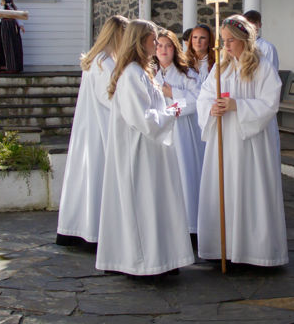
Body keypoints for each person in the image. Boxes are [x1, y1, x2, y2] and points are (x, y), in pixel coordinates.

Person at [96, 19, 194, 276]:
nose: (157, 43)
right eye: (152, 39)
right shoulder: (130, 75)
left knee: (156, 203)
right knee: (143, 204)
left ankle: (161, 257)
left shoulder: (143, 73)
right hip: (138, 152)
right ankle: (144, 261)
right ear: (140, 42)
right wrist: (173, 112)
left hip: (151, 150)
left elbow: (152, 111)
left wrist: (168, 110)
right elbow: (144, 119)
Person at [196, 14, 288, 267]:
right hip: (224, 138)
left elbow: (270, 103)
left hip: (251, 143)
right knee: (225, 188)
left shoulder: (261, 67)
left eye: (230, 41)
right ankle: (222, 248)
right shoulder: (220, 67)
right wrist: (210, 109)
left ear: (244, 40)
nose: (225, 46)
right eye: (223, 41)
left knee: (250, 188)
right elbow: (204, 96)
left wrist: (239, 106)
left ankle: (254, 250)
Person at [56, 15, 128, 247]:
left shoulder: (100, 60)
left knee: (90, 177)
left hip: (94, 126)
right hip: (100, 128)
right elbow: (110, 96)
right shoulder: (103, 62)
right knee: (97, 176)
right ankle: (93, 231)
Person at [154, 29, 204, 236]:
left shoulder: (187, 74)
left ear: (175, 49)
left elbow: (197, 100)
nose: (163, 50)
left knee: (184, 174)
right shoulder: (151, 74)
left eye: (168, 46)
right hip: (160, 131)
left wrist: (171, 96)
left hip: (181, 132)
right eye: (159, 46)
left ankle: (189, 226)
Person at [0, 0, 24, 73]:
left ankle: (14, 67)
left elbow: (17, 16)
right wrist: (3, 4)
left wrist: (21, 26)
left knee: (14, 46)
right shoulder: (0, 5)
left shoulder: (13, 7)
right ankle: (4, 67)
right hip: (4, 27)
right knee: (4, 46)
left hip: (12, 27)